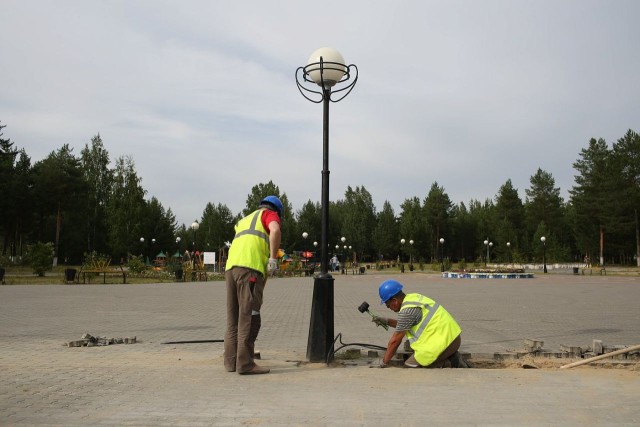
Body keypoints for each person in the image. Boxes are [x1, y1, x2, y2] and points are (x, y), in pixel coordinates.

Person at [224, 195, 283, 375]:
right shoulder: (269, 215)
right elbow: (275, 230)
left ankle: (231, 362)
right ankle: (246, 364)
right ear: (276, 210)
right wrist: (273, 258)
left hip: (231, 270)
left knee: (233, 318)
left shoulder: (244, 220)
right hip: (249, 270)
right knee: (249, 316)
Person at [373, 279, 470, 368]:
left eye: (387, 304)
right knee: (414, 354)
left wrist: (384, 362)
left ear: (394, 301)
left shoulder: (407, 311)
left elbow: (395, 341)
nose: (388, 307)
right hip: (452, 337)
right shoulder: (413, 298)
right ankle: (449, 356)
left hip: (445, 343)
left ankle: (450, 362)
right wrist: (387, 321)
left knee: (410, 367)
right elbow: (406, 324)